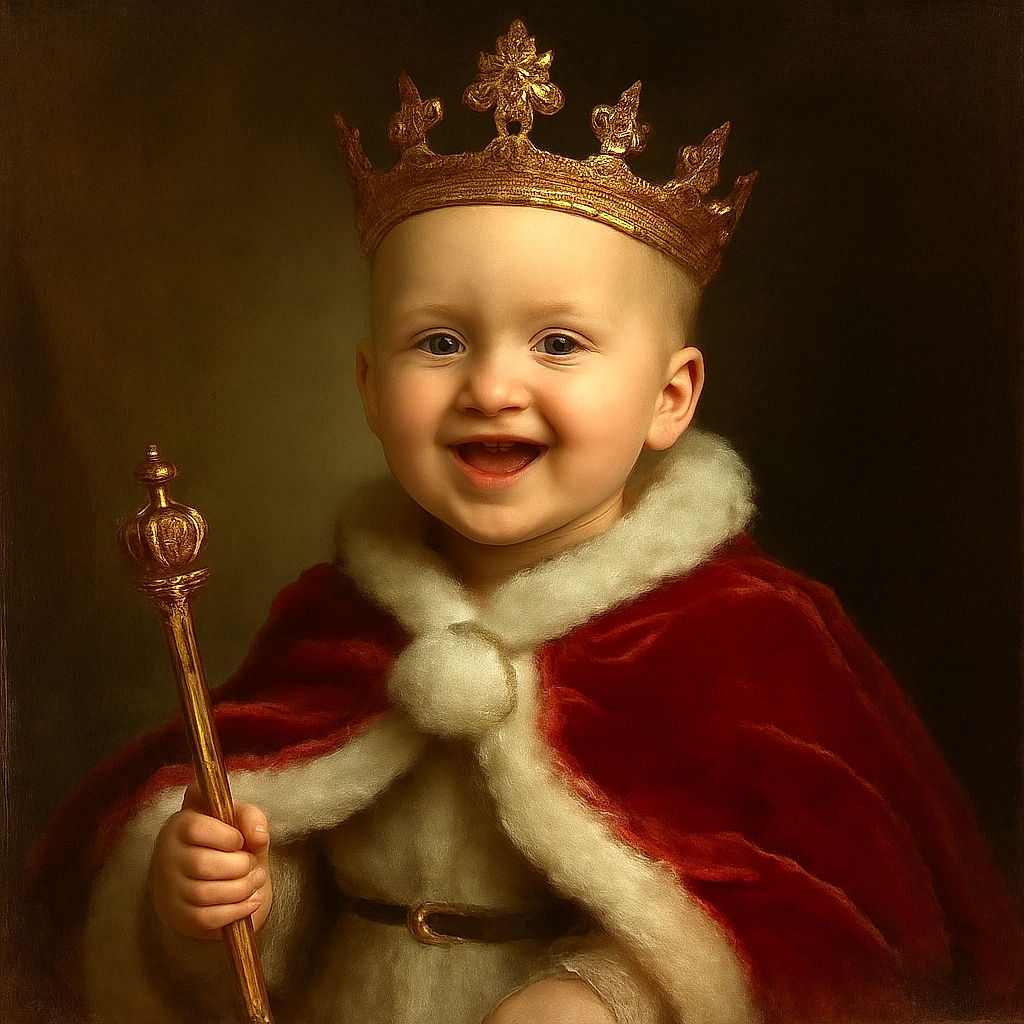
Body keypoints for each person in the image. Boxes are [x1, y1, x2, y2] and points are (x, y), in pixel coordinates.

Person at [27, 20, 1022, 1024]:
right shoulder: (333, 625)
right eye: (442, 340)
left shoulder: (750, 637)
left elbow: (819, 933)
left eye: (556, 342)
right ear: (371, 390)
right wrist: (218, 899)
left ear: (668, 398)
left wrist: (612, 997)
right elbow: (273, 929)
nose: (492, 386)